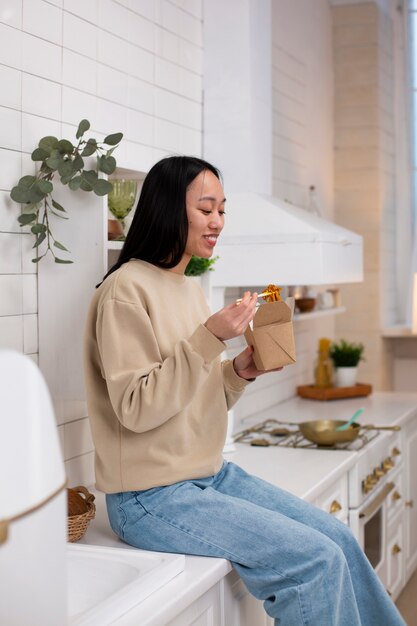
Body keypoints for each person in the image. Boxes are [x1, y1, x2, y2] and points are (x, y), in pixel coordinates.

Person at [84, 155, 405, 625]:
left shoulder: (188, 286)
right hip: (149, 497)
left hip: (209, 476)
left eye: (222, 210)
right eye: (206, 209)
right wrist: (210, 338)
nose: (218, 221)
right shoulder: (125, 290)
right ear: (169, 208)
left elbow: (196, 396)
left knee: (337, 539)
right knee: (312, 562)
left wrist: (238, 371)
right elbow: (136, 408)